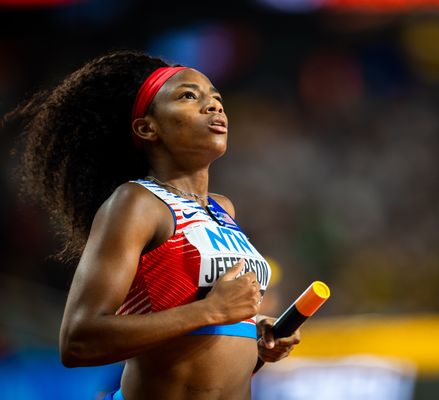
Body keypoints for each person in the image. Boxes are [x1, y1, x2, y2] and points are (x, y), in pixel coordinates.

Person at [7, 51, 300, 400]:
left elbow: (200, 342)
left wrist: (256, 336)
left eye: (216, 98)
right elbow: (78, 340)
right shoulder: (136, 203)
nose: (214, 106)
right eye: (189, 96)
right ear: (148, 128)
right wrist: (211, 310)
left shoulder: (224, 209)